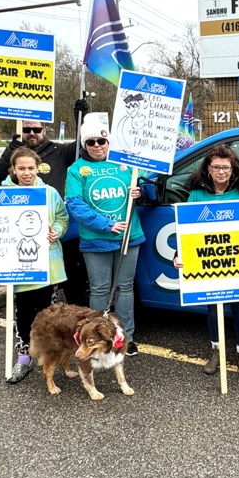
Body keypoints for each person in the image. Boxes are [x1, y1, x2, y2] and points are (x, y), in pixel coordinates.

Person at [173, 144, 239, 381]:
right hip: (208, 263)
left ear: (233, 169)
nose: (221, 172)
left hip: (238, 259)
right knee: (213, 306)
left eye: (226, 167)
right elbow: (186, 231)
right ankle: (216, 350)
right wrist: (179, 254)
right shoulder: (196, 194)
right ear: (208, 169)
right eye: (216, 167)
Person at [0, 100, 89, 306]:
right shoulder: (14, 154)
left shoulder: (59, 151)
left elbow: (82, 144)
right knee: (27, 299)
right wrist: (10, 150)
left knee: (70, 283)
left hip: (59, 234)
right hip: (23, 237)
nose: (31, 133)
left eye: (36, 129)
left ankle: (73, 325)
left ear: (44, 130)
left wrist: (80, 117)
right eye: (27, 129)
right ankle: (26, 335)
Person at [65, 118, 143, 356]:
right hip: (96, 239)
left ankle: (125, 337)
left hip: (130, 236)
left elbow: (148, 190)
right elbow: (75, 205)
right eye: (91, 142)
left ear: (109, 141)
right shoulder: (76, 169)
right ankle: (96, 337)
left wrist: (140, 192)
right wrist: (107, 225)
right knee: (99, 289)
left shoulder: (127, 164)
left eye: (102, 140)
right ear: (84, 144)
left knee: (125, 288)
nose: (97, 145)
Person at [2, 147, 69, 384]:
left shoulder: (49, 193)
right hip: (17, 267)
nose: (27, 173)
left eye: (31, 168)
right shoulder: (2, 194)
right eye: (21, 168)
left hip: (46, 266)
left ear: (38, 168)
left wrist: (57, 231)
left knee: (46, 315)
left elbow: (62, 217)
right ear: (14, 169)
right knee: (23, 314)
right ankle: (23, 356)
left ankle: (47, 354)